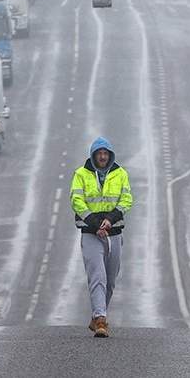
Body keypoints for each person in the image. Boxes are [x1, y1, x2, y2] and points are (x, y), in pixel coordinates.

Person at [70, 137, 132, 338]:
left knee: (111, 279)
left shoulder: (121, 174)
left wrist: (110, 220)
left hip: (113, 232)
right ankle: (100, 319)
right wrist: (96, 223)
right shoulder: (81, 174)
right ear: (94, 155)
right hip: (91, 233)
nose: (103, 157)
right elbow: (76, 200)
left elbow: (127, 200)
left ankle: (98, 314)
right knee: (98, 276)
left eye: (105, 153)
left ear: (110, 155)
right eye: (99, 153)